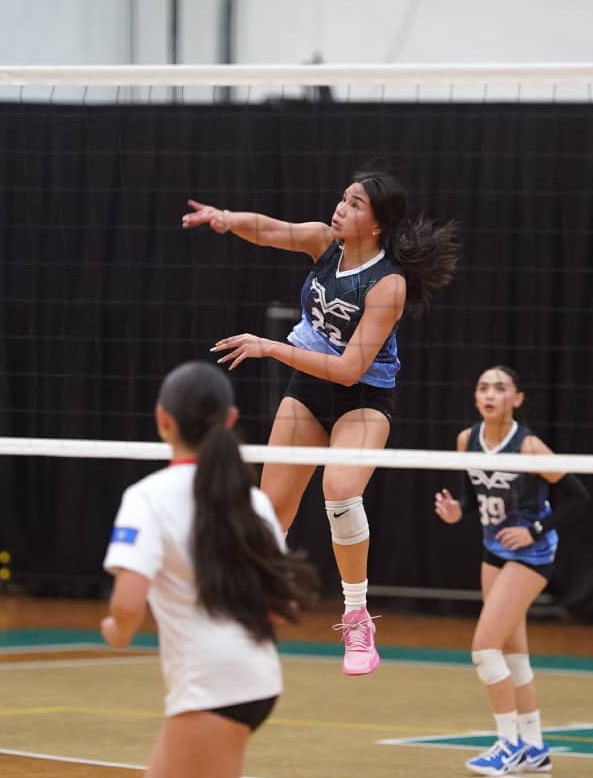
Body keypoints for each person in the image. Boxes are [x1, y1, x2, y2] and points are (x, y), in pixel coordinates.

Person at [183, 166, 458, 675]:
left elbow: (351, 367)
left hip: (364, 397)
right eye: (344, 198)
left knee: (340, 491)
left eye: (355, 204)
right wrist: (224, 218)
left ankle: (357, 618)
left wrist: (271, 347)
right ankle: (249, 614)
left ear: (376, 225)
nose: (341, 208)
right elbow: (268, 229)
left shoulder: (388, 284)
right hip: (309, 390)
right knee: (270, 514)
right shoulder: (322, 243)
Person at [102, 361, 314, 778]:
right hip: (250, 676)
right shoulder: (254, 500)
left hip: (214, 687)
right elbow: (277, 594)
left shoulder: (149, 496)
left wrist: (115, 630)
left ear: (162, 420)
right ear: (232, 419)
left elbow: (126, 606)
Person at [434, 366, 588, 776]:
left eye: (500, 388)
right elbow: (470, 494)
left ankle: (508, 744)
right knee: (512, 656)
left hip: (532, 556)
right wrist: (456, 512)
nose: (489, 394)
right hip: (492, 552)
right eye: (483, 387)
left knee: (484, 649)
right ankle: (535, 747)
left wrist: (534, 529)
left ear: (516, 399)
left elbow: (577, 496)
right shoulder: (467, 439)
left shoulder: (530, 447)